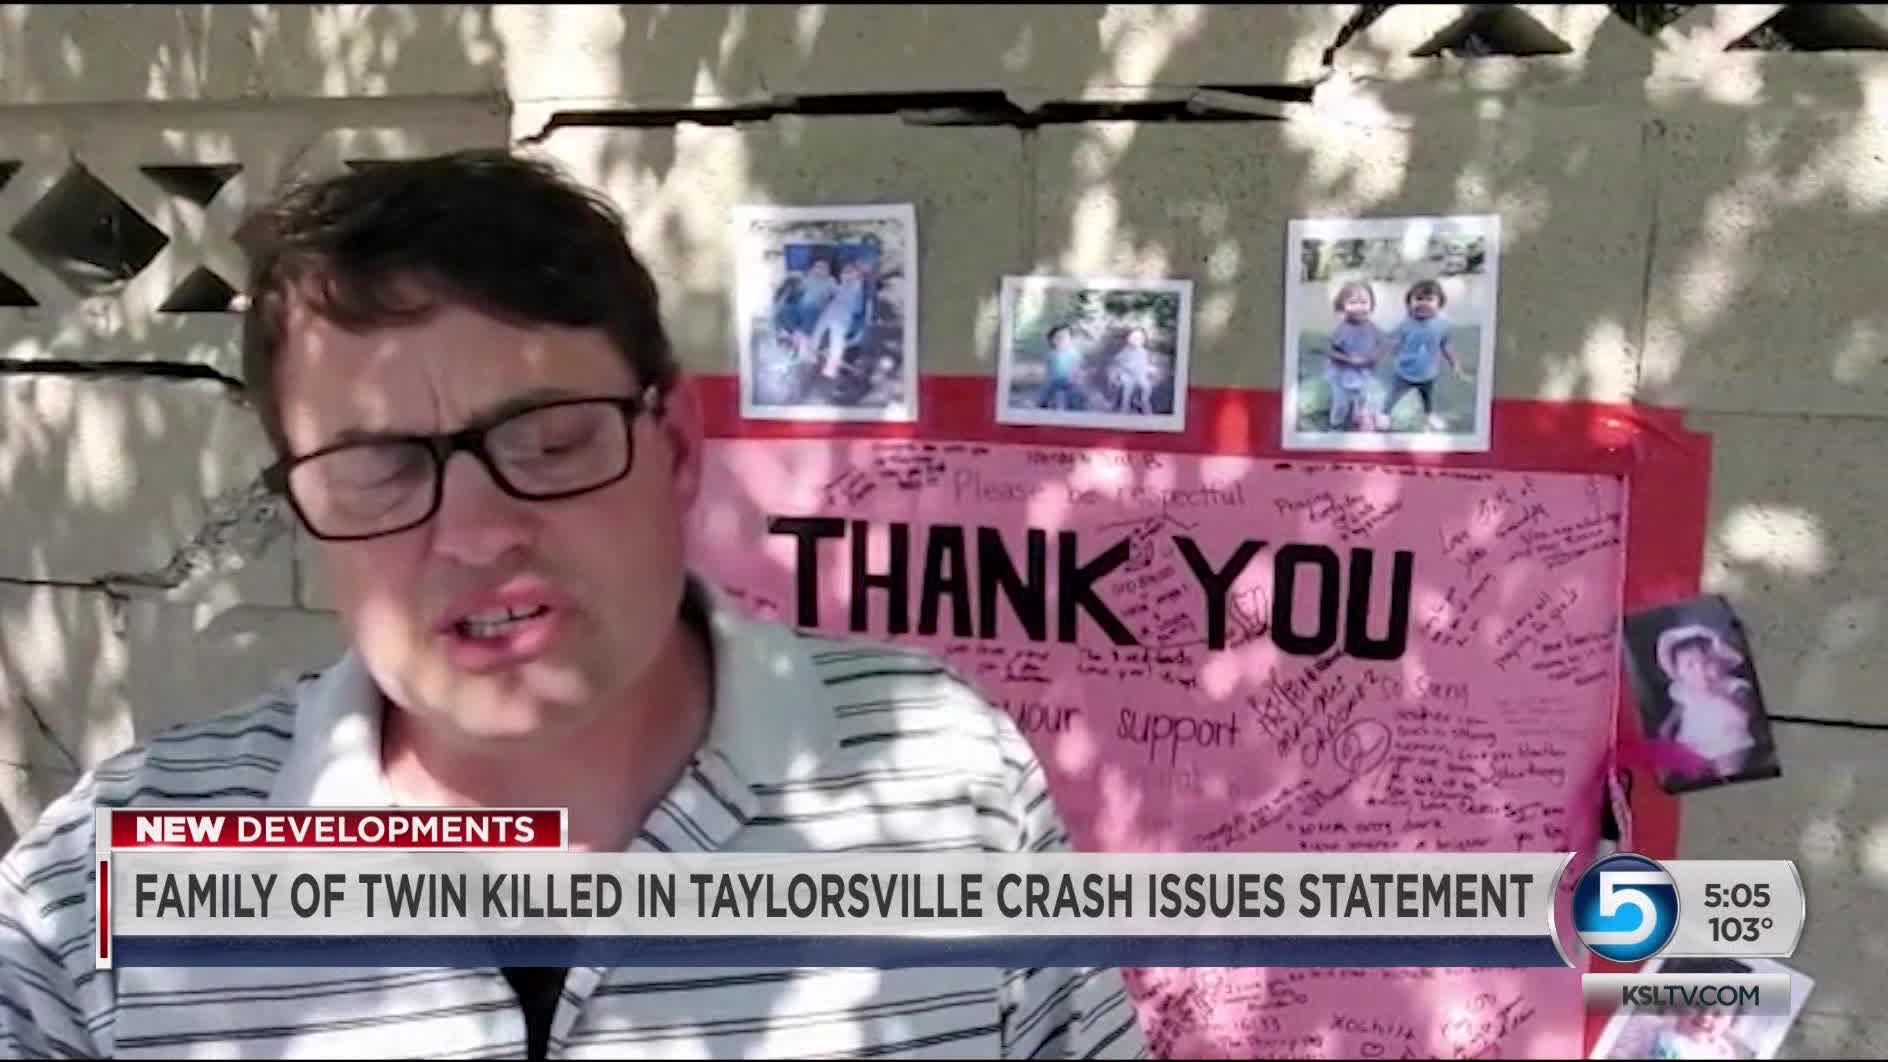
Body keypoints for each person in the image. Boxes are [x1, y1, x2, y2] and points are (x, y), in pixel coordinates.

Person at [0, 149, 1145, 1060]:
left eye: (549, 441)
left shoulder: (948, 782)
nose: (475, 530)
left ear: (677, 447)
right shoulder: (97, 886)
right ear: (303, 509)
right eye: (377, 469)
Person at [1655, 624, 1757, 781]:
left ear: (1722, 664)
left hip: (1728, 741)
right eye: (1690, 665)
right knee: (1691, 773)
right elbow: (1679, 708)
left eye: (1708, 662)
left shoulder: (1732, 686)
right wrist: (1667, 726)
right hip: (1693, 742)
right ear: (1679, 674)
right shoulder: (1684, 691)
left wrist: (1718, 695)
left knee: (1729, 768)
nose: (1700, 671)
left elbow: (1746, 712)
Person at [1382, 278, 1461, 432]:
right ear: (1409, 303)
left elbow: (1446, 345)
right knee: (1393, 395)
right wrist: (1387, 351)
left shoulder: (1442, 325)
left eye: (1429, 299)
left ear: (1439, 304)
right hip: (1404, 372)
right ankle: (1384, 414)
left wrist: (1454, 363)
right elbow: (1393, 343)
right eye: (1418, 299)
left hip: (1428, 373)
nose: (1423, 303)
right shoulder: (1405, 324)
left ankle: (1429, 415)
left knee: (1427, 397)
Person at [1320, 281, 1384, 431]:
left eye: (1364, 302)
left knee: (1374, 393)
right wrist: (1349, 360)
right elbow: (1330, 352)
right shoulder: (1342, 330)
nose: (1359, 307)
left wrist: (1375, 356)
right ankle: (1336, 425)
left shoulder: (1372, 327)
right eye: (1353, 303)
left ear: (1371, 305)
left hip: (1362, 371)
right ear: (1342, 307)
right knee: (1341, 401)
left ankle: (1365, 416)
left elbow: (1382, 344)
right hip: (1340, 372)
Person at [1035, 323, 1087, 411]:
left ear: (1070, 339)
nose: (1061, 340)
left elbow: (1079, 370)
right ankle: (1043, 405)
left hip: (1071, 382)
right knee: (1047, 391)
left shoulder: (1075, 355)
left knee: (1076, 395)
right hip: (1054, 383)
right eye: (1057, 337)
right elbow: (1049, 371)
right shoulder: (1051, 355)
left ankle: (1077, 407)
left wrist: (1076, 379)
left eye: (1064, 337)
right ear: (1052, 340)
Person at [1109, 326, 1158, 414]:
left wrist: (1150, 369)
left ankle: (1143, 402)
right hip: (1128, 375)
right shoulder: (1125, 351)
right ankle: (1124, 408)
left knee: (1146, 387)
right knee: (1127, 388)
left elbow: (1145, 365)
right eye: (1134, 338)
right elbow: (1118, 362)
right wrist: (1120, 371)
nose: (1136, 340)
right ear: (1129, 338)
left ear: (1143, 340)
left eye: (1140, 339)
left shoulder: (1144, 352)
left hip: (1140, 375)